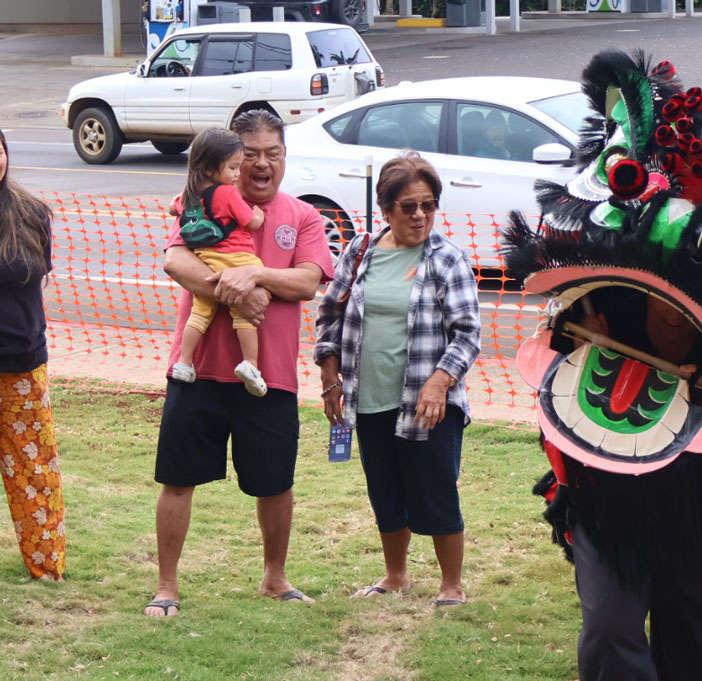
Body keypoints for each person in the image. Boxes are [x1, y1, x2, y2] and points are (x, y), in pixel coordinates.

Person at [143, 110, 334, 617]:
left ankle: (275, 579)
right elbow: (175, 261)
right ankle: (167, 586)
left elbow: (309, 281)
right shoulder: (201, 203)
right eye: (250, 154)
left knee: (275, 482)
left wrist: (254, 279)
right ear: (229, 159)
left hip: (269, 378)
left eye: (274, 153)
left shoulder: (304, 215)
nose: (262, 164)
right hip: (199, 369)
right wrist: (230, 294)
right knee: (177, 478)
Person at [559, 289, 702, 681]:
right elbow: (551, 373)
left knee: (699, 657)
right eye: (664, 293)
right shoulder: (599, 304)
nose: (675, 310)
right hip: (608, 504)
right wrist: (577, 352)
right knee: (609, 628)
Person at [314, 153, 480, 608]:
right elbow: (329, 314)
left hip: (428, 404)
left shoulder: (447, 259)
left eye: (428, 205)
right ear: (386, 209)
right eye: (408, 207)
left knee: (435, 488)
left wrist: (439, 382)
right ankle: (396, 576)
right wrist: (330, 375)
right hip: (369, 399)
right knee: (384, 488)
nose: (420, 215)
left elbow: (468, 334)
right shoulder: (360, 251)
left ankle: (452, 585)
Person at [0, 128, 67, 581]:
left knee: (34, 470)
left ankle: (46, 566)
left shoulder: (30, 212)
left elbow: (37, 275)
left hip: (22, 363)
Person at [167, 127, 267, 397]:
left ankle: (184, 362)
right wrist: (259, 213)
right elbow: (251, 222)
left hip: (206, 260)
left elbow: (170, 207)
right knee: (244, 310)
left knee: (199, 313)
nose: (237, 174)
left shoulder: (191, 193)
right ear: (212, 168)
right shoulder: (229, 194)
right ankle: (251, 363)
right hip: (238, 259)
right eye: (233, 168)